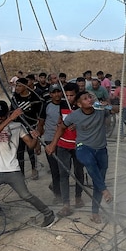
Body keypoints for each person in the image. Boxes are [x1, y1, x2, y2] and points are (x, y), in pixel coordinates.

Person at [0, 101, 55, 229]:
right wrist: (9, 119)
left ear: (7, 113)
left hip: (12, 168)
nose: (0, 118)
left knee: (26, 195)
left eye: (2, 115)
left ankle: (48, 214)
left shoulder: (17, 126)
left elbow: (30, 145)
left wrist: (36, 136)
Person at [61, 91, 113, 223]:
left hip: (101, 149)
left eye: (90, 97)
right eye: (85, 99)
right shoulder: (74, 116)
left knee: (98, 179)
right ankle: (104, 190)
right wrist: (53, 144)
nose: (89, 100)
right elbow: (61, 127)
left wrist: (106, 106)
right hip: (83, 147)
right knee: (89, 162)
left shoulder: (100, 110)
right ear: (79, 104)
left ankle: (95, 212)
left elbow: (115, 109)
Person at [46, 82, 86, 214]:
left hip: (78, 144)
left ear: (77, 95)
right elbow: (60, 123)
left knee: (79, 172)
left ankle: (78, 198)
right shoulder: (62, 105)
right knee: (64, 174)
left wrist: (79, 124)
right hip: (63, 144)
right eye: (66, 95)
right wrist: (53, 143)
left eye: (72, 95)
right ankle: (66, 204)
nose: (69, 98)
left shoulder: (83, 105)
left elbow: (91, 122)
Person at [37, 84, 65, 204]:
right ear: (50, 94)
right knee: (54, 169)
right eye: (54, 92)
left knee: (63, 168)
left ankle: (60, 190)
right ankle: (58, 195)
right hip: (49, 140)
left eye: (59, 92)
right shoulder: (46, 105)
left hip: (64, 140)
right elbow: (40, 124)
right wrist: (38, 142)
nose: (57, 94)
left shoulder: (65, 104)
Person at [11, 77, 43, 180]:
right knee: (19, 151)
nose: (17, 88)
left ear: (25, 86)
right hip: (18, 128)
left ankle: (34, 168)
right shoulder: (15, 98)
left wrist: (38, 133)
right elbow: (11, 111)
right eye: (16, 86)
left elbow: (39, 116)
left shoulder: (34, 98)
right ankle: (21, 173)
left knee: (30, 149)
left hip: (30, 127)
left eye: (20, 86)